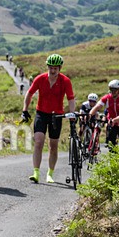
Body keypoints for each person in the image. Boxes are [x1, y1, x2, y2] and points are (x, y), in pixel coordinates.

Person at [21, 53, 76, 183]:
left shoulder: (65, 81)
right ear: (48, 67)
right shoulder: (40, 79)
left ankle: (50, 173)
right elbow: (29, 94)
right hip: (41, 113)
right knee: (39, 142)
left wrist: (72, 113)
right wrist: (25, 110)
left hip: (56, 115)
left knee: (53, 146)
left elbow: (71, 99)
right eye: (50, 68)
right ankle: (36, 172)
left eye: (55, 68)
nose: (52, 70)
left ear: (60, 68)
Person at [90, 79, 119, 149]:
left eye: (115, 90)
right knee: (112, 145)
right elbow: (97, 107)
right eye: (111, 90)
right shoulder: (107, 98)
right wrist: (90, 115)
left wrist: (113, 120)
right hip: (111, 124)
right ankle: (113, 159)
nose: (113, 92)